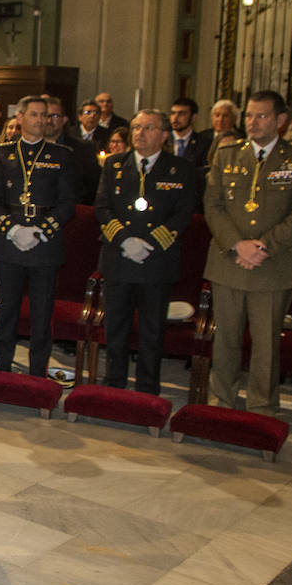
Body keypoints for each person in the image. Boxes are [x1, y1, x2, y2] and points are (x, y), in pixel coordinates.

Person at [205, 91, 292, 411]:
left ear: (281, 121)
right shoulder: (227, 154)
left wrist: (264, 245)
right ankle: (220, 402)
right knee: (225, 339)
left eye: (262, 116)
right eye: (249, 116)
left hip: (274, 264)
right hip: (229, 260)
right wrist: (237, 245)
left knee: (266, 344)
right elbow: (212, 206)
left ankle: (261, 408)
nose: (252, 123)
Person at [94, 110, 198, 395]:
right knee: (116, 327)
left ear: (164, 135)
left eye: (148, 128)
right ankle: (114, 385)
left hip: (157, 260)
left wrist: (150, 243)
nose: (139, 133)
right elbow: (102, 207)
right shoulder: (115, 164)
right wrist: (126, 241)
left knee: (152, 330)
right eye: (135, 127)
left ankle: (147, 389)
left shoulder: (180, 168)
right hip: (119, 257)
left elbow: (182, 213)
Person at [0, 95, 76, 377]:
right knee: (7, 310)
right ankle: (2, 367)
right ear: (21, 117)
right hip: (10, 241)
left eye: (45, 115)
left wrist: (41, 231)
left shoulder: (62, 155)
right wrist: (13, 229)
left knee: (41, 313)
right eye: (35, 114)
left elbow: (67, 204)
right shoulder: (3, 153)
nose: (41, 120)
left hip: (44, 243)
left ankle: (37, 371)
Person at [43, 95, 101, 205]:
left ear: (64, 120)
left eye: (54, 116)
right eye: (45, 115)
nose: (49, 120)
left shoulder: (83, 149)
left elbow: (93, 187)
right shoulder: (28, 147)